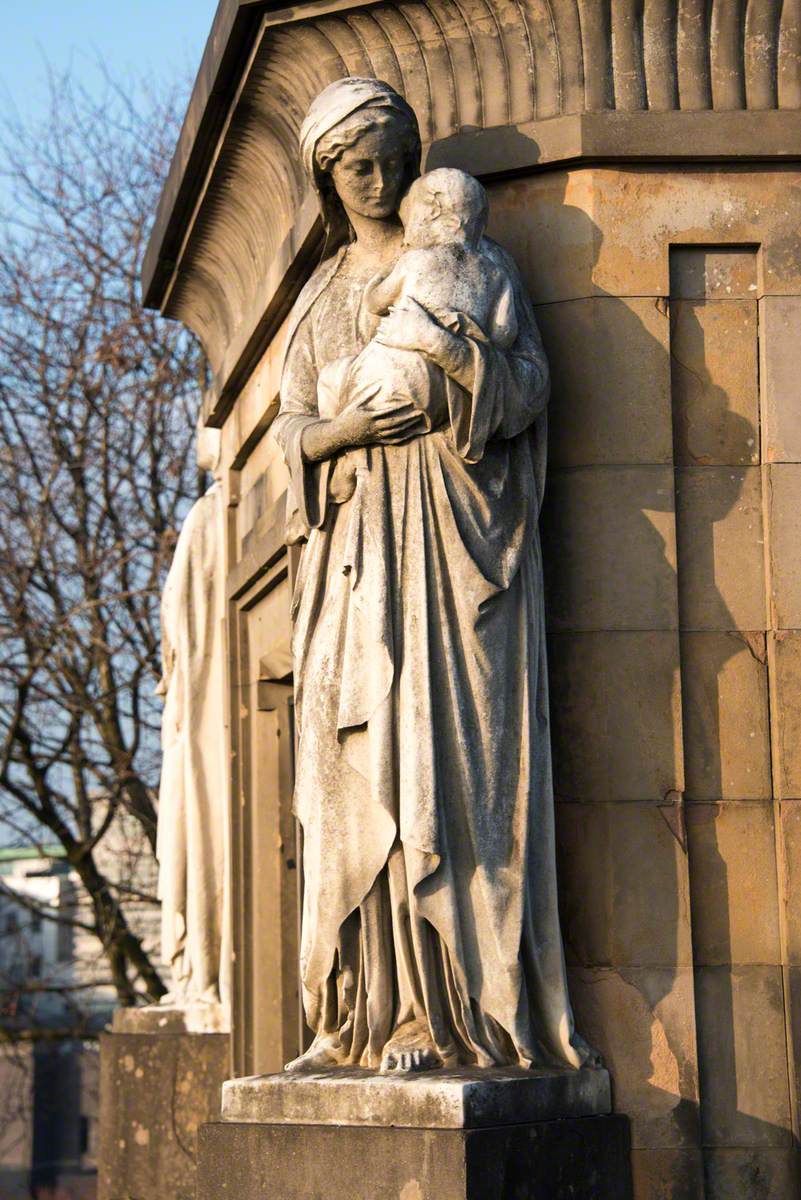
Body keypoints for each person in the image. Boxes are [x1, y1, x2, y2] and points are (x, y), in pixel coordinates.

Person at [273, 76, 595, 1075]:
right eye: (354, 165)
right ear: (327, 177)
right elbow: (291, 437)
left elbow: (529, 387)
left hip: (459, 557)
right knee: (353, 788)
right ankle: (364, 1017)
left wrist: (459, 372)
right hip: (358, 558)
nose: (376, 180)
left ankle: (449, 1015)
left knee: (454, 772)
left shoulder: (472, 266)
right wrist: (351, 431)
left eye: (390, 160)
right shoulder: (324, 296)